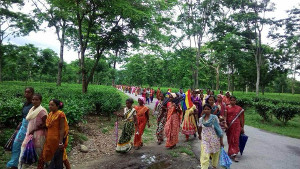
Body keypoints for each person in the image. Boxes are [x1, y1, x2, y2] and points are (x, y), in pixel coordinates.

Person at [38, 99, 70, 169]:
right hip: (49, 140)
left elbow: (62, 129)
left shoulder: (61, 114)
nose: (50, 106)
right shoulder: (50, 114)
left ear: (57, 106)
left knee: (60, 157)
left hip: (57, 140)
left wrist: (61, 141)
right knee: (44, 155)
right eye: (49, 105)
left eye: (52, 105)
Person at [7, 87, 34, 169]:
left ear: (32, 93)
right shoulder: (25, 104)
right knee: (16, 144)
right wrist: (20, 123)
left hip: (30, 127)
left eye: (28, 92)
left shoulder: (34, 104)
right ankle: (14, 164)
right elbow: (24, 116)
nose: (26, 94)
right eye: (25, 92)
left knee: (24, 147)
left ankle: (21, 164)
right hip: (23, 126)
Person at [18, 94, 48, 169]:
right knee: (23, 150)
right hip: (30, 134)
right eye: (33, 100)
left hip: (39, 135)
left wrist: (35, 129)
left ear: (40, 101)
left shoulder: (41, 111)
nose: (34, 101)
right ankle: (22, 166)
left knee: (39, 153)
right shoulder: (32, 109)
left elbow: (46, 124)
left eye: (36, 100)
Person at [198, 104, 224, 169]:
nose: (206, 110)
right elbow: (200, 128)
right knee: (205, 155)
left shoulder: (214, 118)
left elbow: (218, 129)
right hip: (205, 140)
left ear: (210, 110)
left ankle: (214, 166)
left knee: (215, 153)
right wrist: (199, 135)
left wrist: (221, 141)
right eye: (205, 109)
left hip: (214, 139)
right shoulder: (201, 119)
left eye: (208, 109)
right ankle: (204, 167)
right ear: (203, 110)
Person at [225, 96, 244, 162]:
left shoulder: (239, 108)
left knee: (235, 140)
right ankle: (231, 152)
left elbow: (241, 119)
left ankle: (234, 154)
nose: (233, 101)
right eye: (231, 100)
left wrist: (242, 127)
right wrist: (225, 124)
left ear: (236, 101)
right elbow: (225, 117)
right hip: (229, 126)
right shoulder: (226, 108)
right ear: (229, 101)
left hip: (237, 126)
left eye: (234, 100)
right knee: (230, 140)